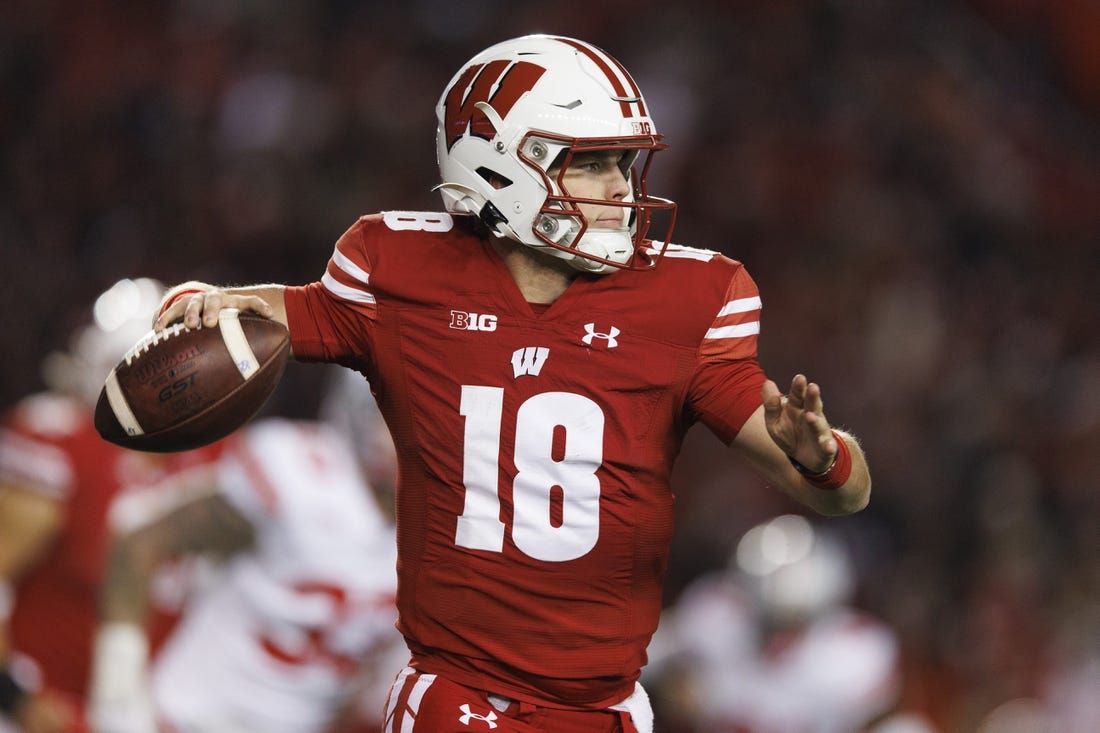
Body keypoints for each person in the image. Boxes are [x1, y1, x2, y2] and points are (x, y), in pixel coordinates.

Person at [152, 34, 872, 733]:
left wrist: (823, 455)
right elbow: (290, 309)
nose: (621, 189)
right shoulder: (398, 270)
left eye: (624, 165)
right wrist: (204, 303)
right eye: (593, 166)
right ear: (499, 167)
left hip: (607, 706)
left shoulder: (688, 299)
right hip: (460, 693)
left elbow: (840, 492)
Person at [88, 369, 405, 733]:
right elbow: (140, 542)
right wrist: (119, 699)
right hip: (186, 718)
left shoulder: (446, 532)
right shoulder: (299, 471)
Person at [0, 279, 225, 733]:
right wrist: (12, 693)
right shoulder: (62, 447)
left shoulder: (213, 459)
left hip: (143, 713)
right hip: (40, 709)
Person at [644, 514, 914, 732]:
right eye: (773, 619)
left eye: (796, 620)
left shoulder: (855, 652)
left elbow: (886, 721)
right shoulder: (716, 614)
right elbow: (645, 658)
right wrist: (678, 690)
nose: (781, 635)